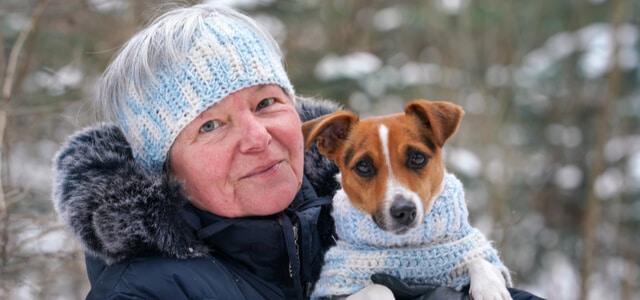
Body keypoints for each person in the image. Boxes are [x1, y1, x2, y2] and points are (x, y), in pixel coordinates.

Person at [51, 3, 544, 300]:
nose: (257, 137)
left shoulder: (351, 220)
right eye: (211, 125)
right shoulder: (147, 292)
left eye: (266, 102)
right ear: (164, 167)